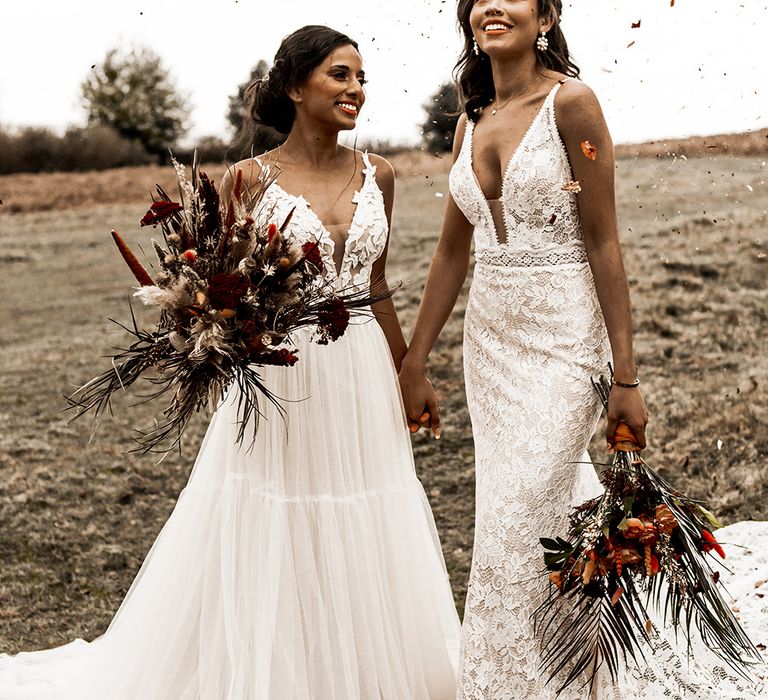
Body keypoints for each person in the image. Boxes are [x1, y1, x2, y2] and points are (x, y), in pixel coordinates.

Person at [0, 25, 460, 700]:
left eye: (362, 78)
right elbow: (215, 284)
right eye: (340, 75)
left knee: (367, 510)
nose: (357, 90)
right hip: (282, 373)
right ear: (297, 86)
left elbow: (376, 285)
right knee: (279, 514)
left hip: (361, 371)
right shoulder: (247, 180)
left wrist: (409, 370)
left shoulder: (379, 174)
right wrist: (215, 332)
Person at [399, 1, 766, 697]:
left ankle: (521, 684)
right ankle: (570, 667)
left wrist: (625, 375)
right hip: (492, 342)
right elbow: (453, 250)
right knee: (522, 510)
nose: (491, 6)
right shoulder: (468, 119)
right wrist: (416, 359)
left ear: (546, 16)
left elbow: (603, 241)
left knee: (519, 518)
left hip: (565, 336)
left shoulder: (573, 103)